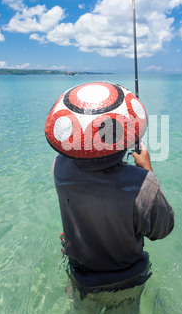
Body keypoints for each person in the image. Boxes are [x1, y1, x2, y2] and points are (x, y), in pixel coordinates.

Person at [45, 81, 174, 302]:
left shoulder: (60, 168)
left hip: (82, 274)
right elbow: (162, 230)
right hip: (129, 278)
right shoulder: (144, 185)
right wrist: (147, 172)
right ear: (126, 138)